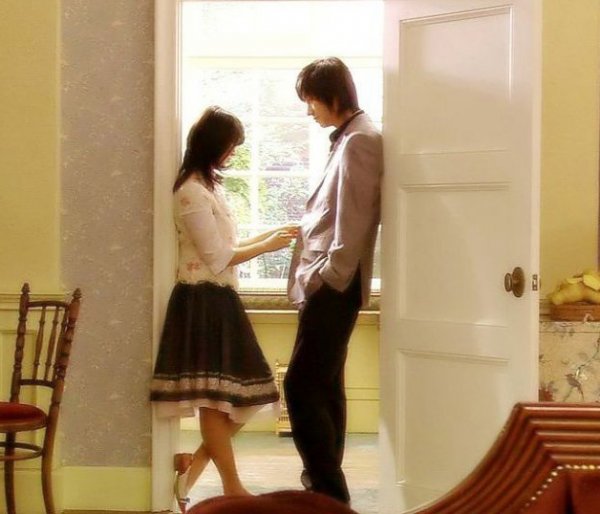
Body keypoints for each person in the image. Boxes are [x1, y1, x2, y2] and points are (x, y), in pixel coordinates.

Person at [150, 106, 297, 513]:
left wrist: (271, 235)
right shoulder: (190, 192)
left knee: (245, 396)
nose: (233, 153)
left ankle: (194, 472)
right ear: (214, 145)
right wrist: (266, 246)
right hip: (203, 301)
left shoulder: (207, 189)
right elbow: (217, 258)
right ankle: (232, 486)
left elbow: (224, 247)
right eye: (230, 146)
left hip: (219, 299)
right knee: (217, 400)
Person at [284, 57, 383, 505]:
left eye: (311, 101)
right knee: (325, 385)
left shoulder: (360, 140)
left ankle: (326, 488)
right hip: (328, 283)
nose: (309, 111)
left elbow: (355, 220)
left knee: (300, 385)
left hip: (334, 284)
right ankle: (329, 494)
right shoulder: (350, 137)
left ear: (333, 96)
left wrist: (329, 277)